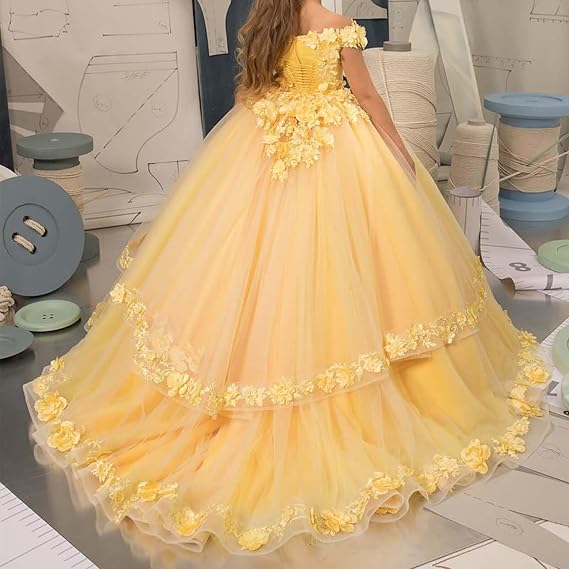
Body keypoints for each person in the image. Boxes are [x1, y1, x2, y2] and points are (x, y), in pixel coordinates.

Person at [25, 0, 550, 556]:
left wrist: (261, 138)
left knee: (252, 266)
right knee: (354, 264)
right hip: (336, 149)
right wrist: (400, 155)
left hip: (266, 141)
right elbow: (368, 98)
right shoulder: (338, 27)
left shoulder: (264, 22)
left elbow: (248, 95)